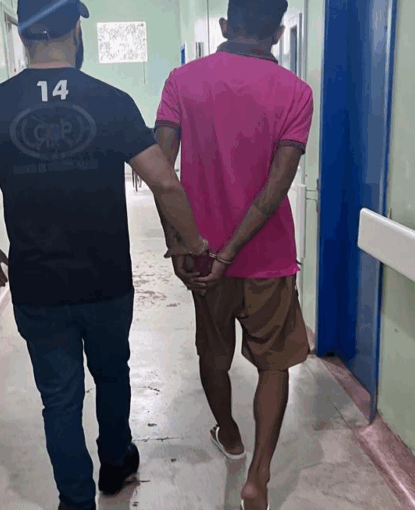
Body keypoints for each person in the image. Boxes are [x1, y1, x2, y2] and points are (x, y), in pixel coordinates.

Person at [0, 2, 209, 509]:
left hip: (37, 285)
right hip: (106, 280)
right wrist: (193, 243)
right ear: (75, 30)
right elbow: (164, 182)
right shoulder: (111, 101)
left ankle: (75, 500)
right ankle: (115, 464)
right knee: (112, 374)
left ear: (23, 35)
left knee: (59, 397)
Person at [154, 1, 314, 509]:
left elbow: (160, 172)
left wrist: (181, 243)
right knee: (274, 364)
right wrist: (233, 254)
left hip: (202, 256)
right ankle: (259, 477)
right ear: (279, 32)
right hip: (268, 259)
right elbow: (274, 190)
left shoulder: (182, 81)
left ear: (226, 26)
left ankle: (229, 432)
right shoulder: (296, 92)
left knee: (214, 355)